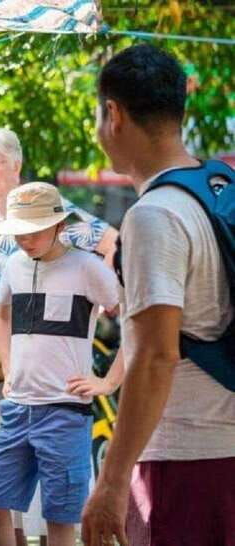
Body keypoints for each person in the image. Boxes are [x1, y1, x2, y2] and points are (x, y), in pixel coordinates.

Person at [82, 44, 235, 546]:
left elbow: (155, 356)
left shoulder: (155, 215)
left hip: (186, 460)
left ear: (113, 114)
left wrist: (111, 481)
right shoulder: (219, 185)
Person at [0, 127, 118, 543]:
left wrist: (98, 305)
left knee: (57, 493)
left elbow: (112, 245)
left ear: (16, 165)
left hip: (59, 366)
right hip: (6, 358)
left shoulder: (58, 215)